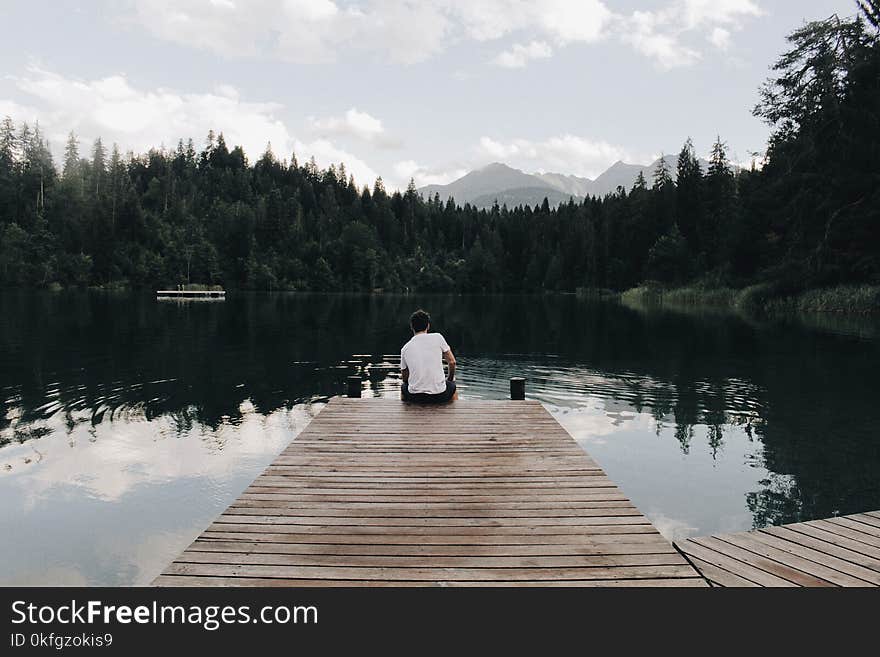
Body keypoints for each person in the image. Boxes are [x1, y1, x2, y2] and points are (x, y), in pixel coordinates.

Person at [400, 309, 458, 403]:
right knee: (453, 387)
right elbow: (452, 362)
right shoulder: (438, 337)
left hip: (415, 397)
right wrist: (450, 379)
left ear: (412, 327)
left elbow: (405, 377)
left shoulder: (405, 348)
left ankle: (407, 412)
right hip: (439, 395)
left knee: (403, 387)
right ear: (428, 325)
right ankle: (453, 413)